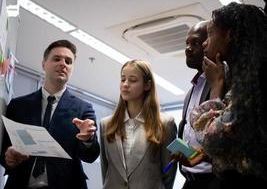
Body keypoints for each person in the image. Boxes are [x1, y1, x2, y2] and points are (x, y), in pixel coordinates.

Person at [0, 39, 100, 189]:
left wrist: (87, 140)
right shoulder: (18, 105)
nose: (63, 64)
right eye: (57, 59)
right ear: (43, 64)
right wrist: (8, 157)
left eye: (68, 61)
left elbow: (91, 156)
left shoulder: (84, 109)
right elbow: (4, 149)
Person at [190, 2, 267, 188]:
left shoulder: (253, 83)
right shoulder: (243, 77)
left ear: (229, 35)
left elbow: (212, 140)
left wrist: (216, 86)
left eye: (210, 33)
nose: (205, 42)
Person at [100, 59, 177, 189]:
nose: (125, 84)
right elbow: (105, 169)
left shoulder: (165, 124)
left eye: (133, 80)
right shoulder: (106, 124)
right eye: (123, 79)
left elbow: (168, 172)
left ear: (147, 85)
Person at [176, 21, 221, 189]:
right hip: (189, 178)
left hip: (214, 180)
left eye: (195, 42)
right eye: (187, 43)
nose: (188, 48)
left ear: (208, 43)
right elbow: (189, 131)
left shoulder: (221, 81)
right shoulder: (191, 92)